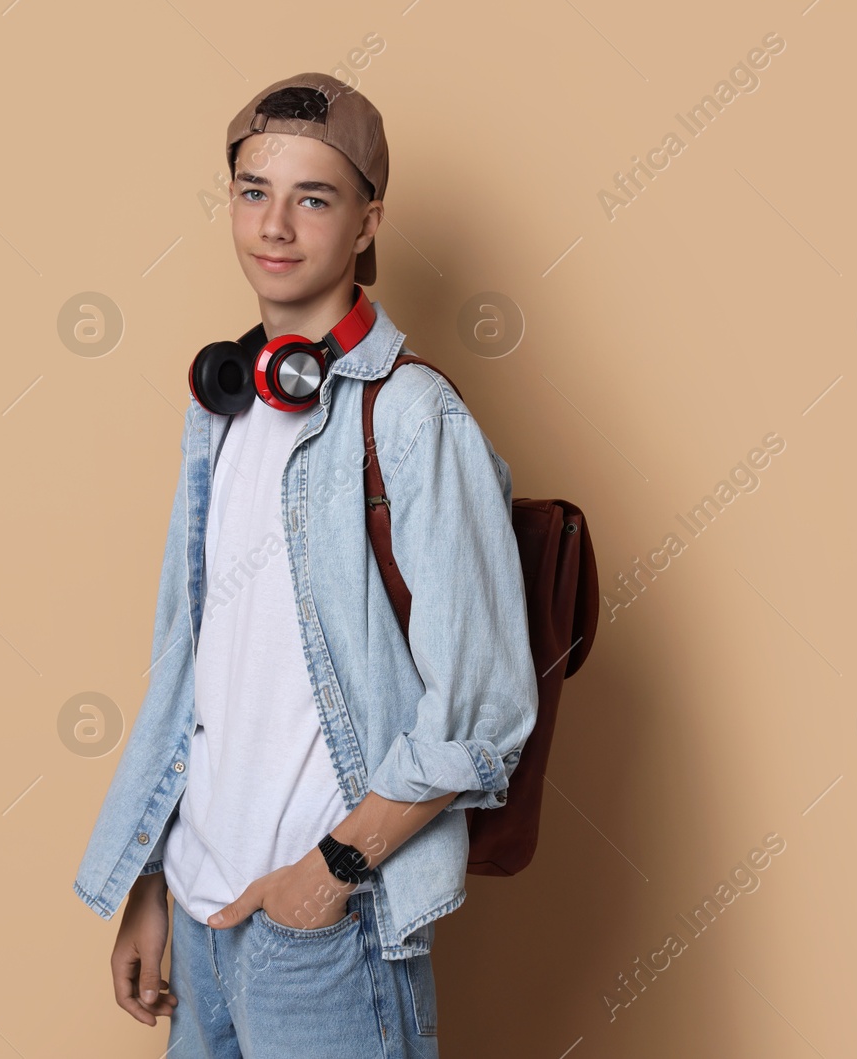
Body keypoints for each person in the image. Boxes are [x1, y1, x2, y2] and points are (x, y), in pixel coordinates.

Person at [71, 71, 538, 1058]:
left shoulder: (411, 420)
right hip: (201, 921)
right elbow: (190, 664)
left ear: (367, 221)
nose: (274, 225)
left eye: (311, 198)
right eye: (252, 191)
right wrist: (155, 878)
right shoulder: (222, 408)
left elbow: (484, 710)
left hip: (322, 929)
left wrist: (324, 877)